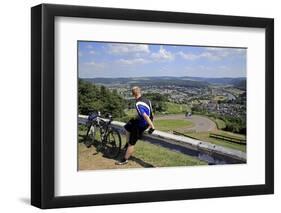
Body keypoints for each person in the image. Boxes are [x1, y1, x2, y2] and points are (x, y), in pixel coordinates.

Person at [115, 86, 155, 165]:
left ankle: (125, 159)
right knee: (127, 126)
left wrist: (152, 127)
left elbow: (145, 116)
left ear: (133, 94)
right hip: (144, 120)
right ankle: (127, 143)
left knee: (132, 143)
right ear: (140, 91)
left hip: (142, 124)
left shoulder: (138, 104)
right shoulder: (147, 100)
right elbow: (151, 113)